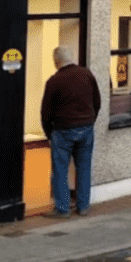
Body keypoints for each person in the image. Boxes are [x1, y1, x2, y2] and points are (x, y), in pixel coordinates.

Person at [40, 45, 101, 218]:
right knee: (84, 168)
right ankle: (83, 206)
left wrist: (48, 133)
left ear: (57, 61)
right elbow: (97, 101)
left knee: (60, 170)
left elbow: (46, 112)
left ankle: (62, 208)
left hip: (62, 130)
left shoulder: (54, 81)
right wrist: (89, 121)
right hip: (86, 128)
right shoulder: (87, 74)